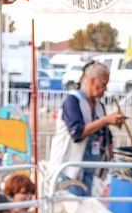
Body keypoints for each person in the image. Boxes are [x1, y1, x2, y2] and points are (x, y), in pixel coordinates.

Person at [45, 61, 125, 195]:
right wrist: (105, 120)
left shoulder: (99, 105)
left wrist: (112, 126)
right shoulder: (72, 101)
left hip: (90, 167)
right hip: (69, 167)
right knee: (72, 208)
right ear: (92, 81)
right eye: (103, 84)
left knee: (86, 207)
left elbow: (105, 133)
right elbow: (77, 132)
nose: (104, 90)